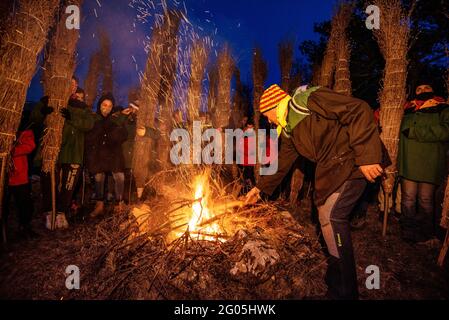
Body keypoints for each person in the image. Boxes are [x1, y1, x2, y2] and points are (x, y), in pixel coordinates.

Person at [245, 84, 383, 300]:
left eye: (267, 116)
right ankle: (336, 282)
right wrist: (259, 188)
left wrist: (368, 157)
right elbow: (282, 165)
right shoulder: (289, 129)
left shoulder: (307, 100)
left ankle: (347, 292)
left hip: (353, 160)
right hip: (332, 168)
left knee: (334, 217)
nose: (269, 121)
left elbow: (358, 109)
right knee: (325, 217)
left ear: (274, 106)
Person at [398, 83, 449, 243]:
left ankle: (425, 232)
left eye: (426, 88)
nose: (422, 91)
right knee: (408, 198)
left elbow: (445, 131)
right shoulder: (408, 109)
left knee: (425, 199)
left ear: (433, 90)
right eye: (418, 88)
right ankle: (408, 230)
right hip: (409, 160)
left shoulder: (442, 108)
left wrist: (415, 132)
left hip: (430, 161)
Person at [85, 93, 128, 217]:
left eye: (110, 106)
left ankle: (119, 204)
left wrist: (117, 130)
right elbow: (90, 136)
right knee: (99, 177)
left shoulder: (116, 119)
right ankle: (99, 205)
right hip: (99, 154)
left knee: (119, 177)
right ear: (100, 105)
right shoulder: (94, 118)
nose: (107, 108)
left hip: (114, 153)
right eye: (104, 105)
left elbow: (124, 135)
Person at [56, 97, 95, 221]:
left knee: (69, 186)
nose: (78, 98)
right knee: (57, 184)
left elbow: (88, 125)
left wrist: (71, 117)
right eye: (76, 95)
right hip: (59, 153)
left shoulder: (86, 112)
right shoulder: (61, 105)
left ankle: (61, 212)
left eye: (81, 96)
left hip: (75, 155)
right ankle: (53, 211)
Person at [3, 116, 37, 239]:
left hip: (20, 175)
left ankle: (24, 227)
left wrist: (11, 150)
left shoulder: (24, 129)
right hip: (3, 178)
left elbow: (30, 145)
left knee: (25, 203)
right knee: (3, 204)